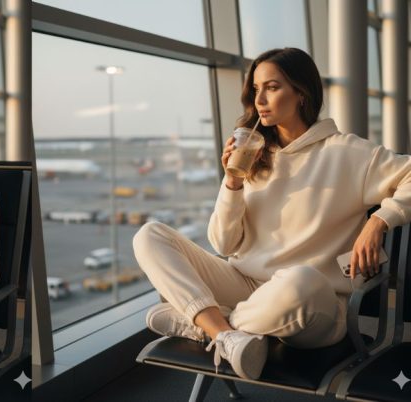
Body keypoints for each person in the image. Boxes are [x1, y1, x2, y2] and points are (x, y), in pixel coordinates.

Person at [133, 47, 411, 380]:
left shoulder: (349, 152)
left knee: (300, 279)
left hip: (315, 300)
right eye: (256, 89)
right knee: (150, 235)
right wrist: (233, 182)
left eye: (273, 87)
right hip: (245, 284)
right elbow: (223, 244)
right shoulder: (255, 153)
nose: (260, 99)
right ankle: (224, 334)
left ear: (301, 93)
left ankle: (206, 326)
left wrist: (380, 220)